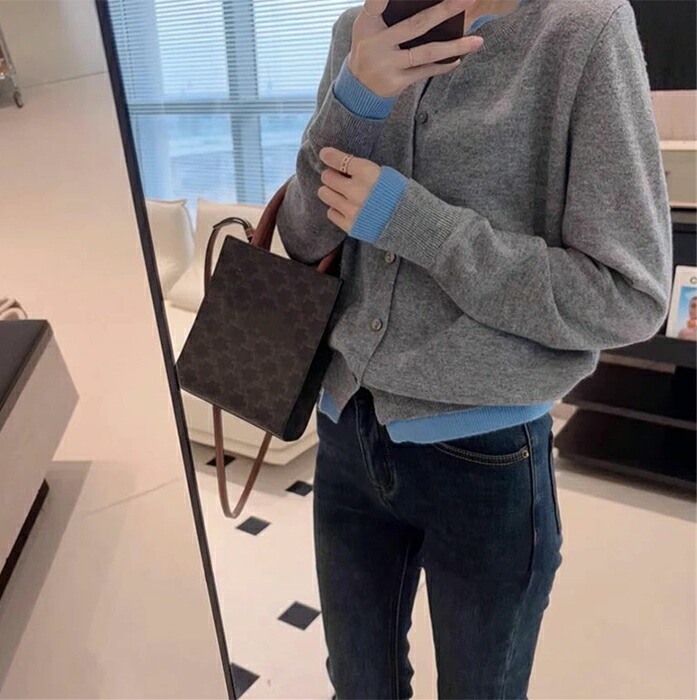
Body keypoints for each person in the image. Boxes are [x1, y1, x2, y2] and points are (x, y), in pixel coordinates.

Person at [276, 0, 672, 697]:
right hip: (345, 429)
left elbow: (627, 295)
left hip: (485, 454)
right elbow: (304, 239)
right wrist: (356, 99)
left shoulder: (580, 32)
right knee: (358, 687)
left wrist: (418, 225)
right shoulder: (358, 31)